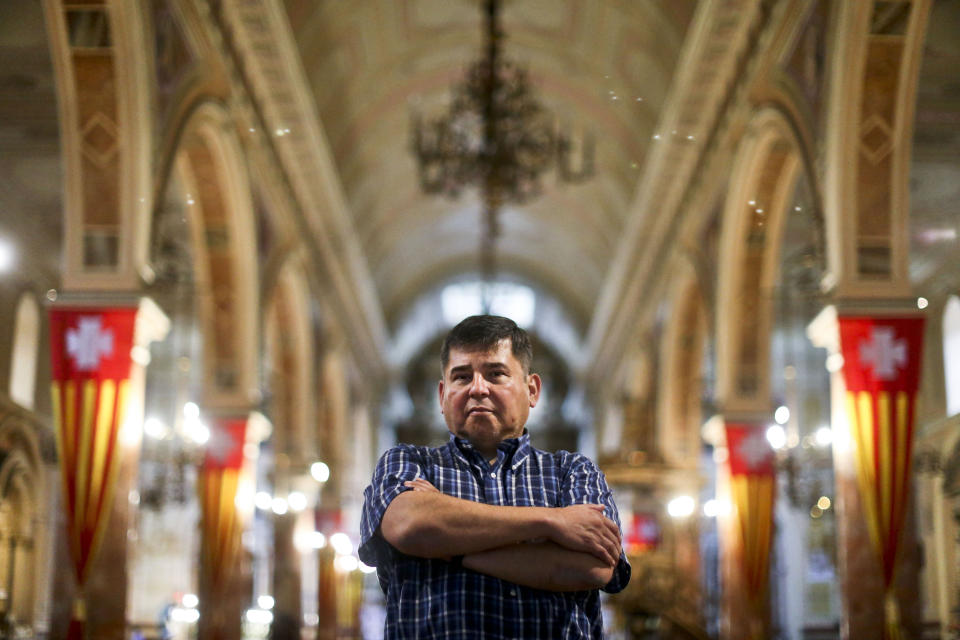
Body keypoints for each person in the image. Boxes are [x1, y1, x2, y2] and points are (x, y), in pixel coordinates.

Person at [360, 315, 631, 639]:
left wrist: (449, 543)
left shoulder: (573, 471)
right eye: (462, 377)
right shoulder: (405, 461)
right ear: (443, 395)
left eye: (496, 374)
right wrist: (552, 521)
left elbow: (594, 566)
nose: (477, 388)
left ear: (531, 390)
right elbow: (410, 525)